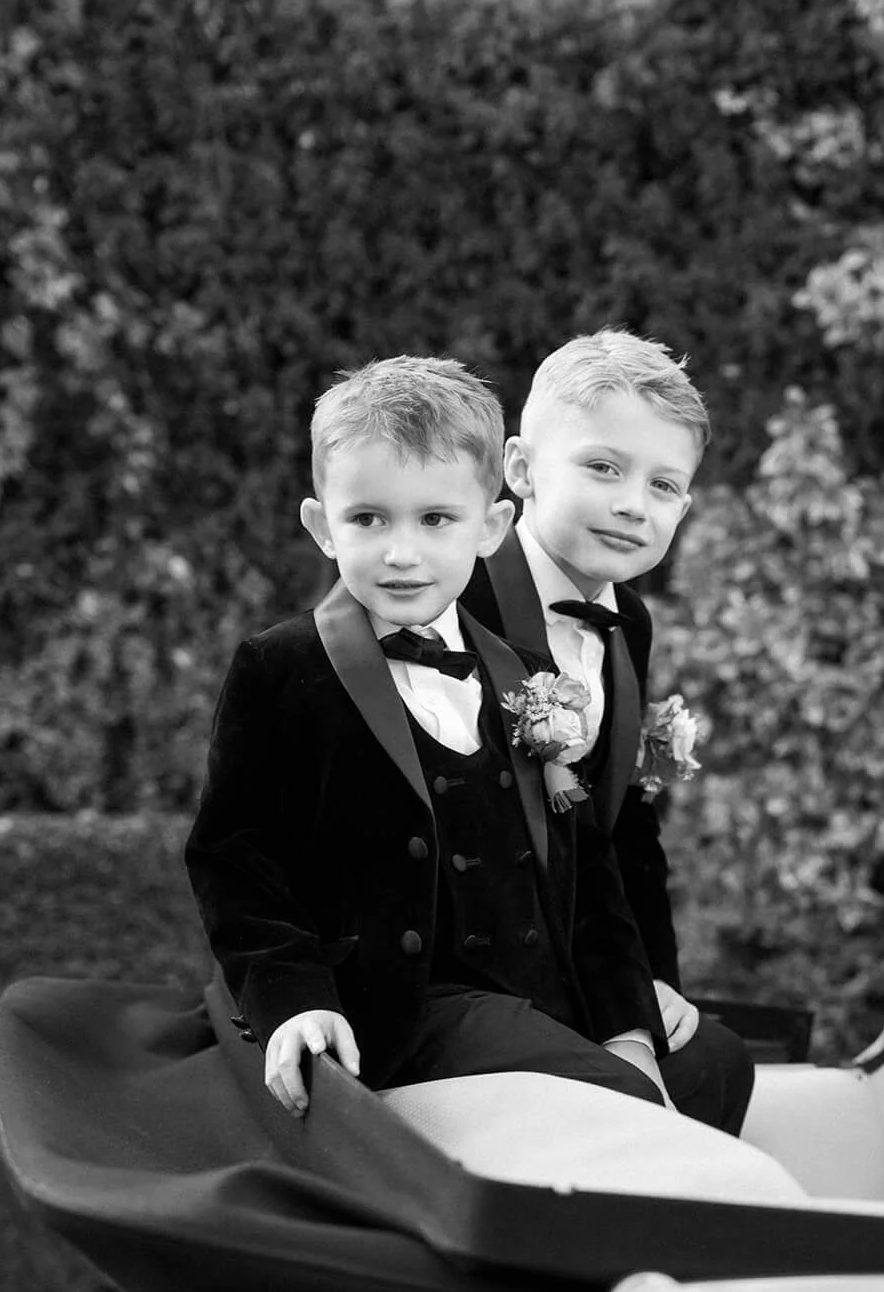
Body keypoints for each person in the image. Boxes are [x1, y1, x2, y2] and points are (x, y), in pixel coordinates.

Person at [186, 354, 670, 1119]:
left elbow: (592, 873)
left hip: (537, 1003)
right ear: (321, 526)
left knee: (703, 1069)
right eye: (369, 518)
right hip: (395, 1012)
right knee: (621, 1106)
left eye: (435, 519)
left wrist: (627, 1027)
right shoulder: (281, 667)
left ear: (491, 527)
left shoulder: (525, 671)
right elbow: (235, 859)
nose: (401, 552)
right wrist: (295, 1002)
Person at [461, 327, 755, 1136]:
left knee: (719, 1061)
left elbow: (620, 828)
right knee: (613, 1095)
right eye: (603, 467)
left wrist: (652, 987)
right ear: (519, 469)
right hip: (477, 961)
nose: (634, 503)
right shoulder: (458, 596)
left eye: (665, 486)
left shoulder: (628, 620)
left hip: (583, 949)